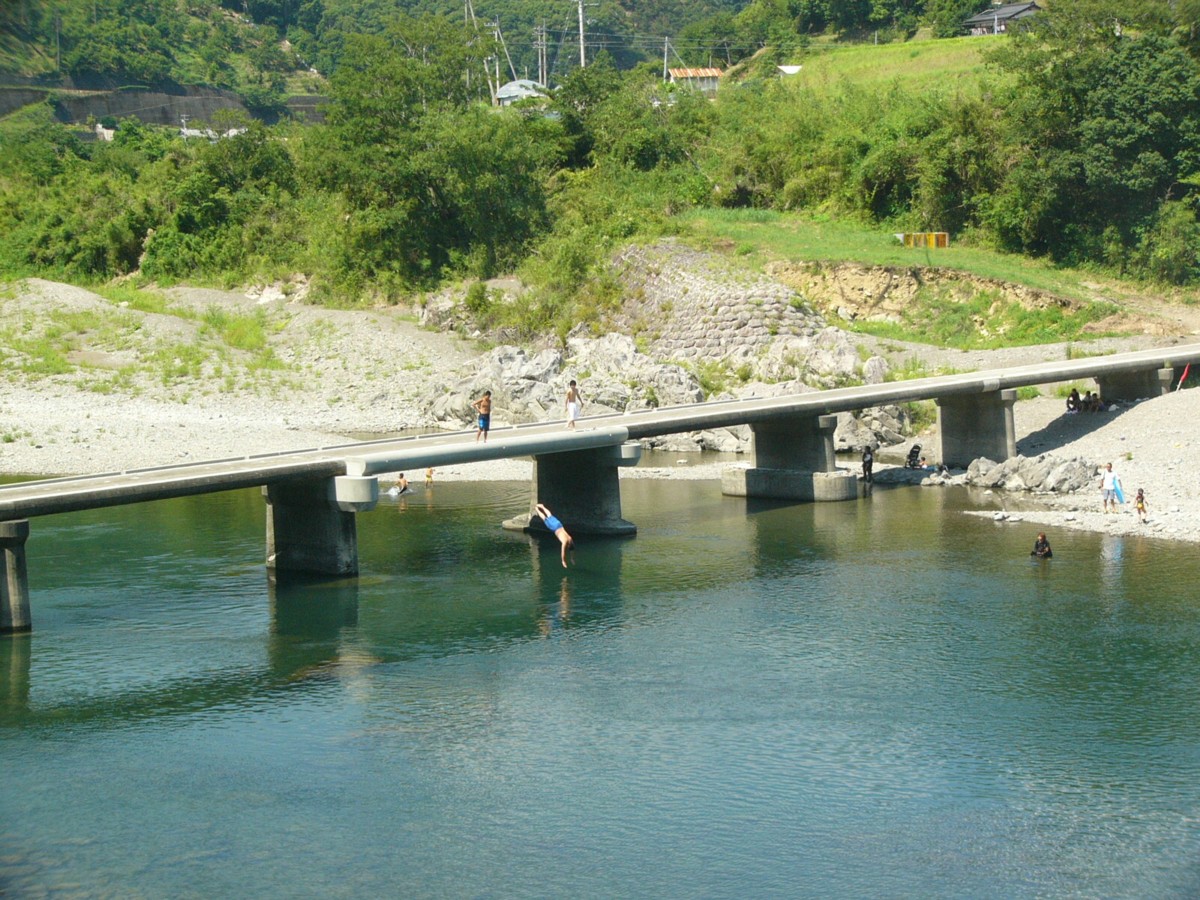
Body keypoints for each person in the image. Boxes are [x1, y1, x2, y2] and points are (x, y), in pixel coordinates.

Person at [535, 502, 574, 568]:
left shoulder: (570, 538)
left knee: (550, 516)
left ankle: (542, 507)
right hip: (554, 528)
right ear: (568, 545)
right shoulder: (565, 542)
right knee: (545, 519)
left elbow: (572, 549)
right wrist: (563, 561)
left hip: (559, 525)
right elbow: (563, 552)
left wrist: (572, 558)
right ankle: (536, 509)